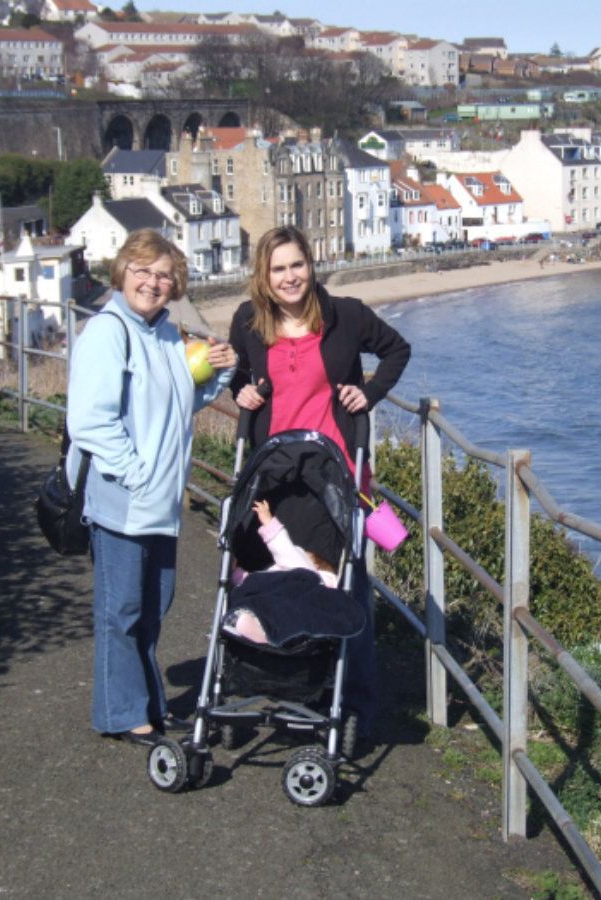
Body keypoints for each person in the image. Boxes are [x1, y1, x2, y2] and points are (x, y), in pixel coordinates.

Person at [229, 225, 410, 743]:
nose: (289, 277)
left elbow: (397, 350)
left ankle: (352, 705)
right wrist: (241, 390)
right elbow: (238, 375)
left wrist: (369, 393)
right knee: (273, 580)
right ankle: (286, 688)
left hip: (336, 476)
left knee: (342, 588)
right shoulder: (249, 322)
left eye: (297, 265)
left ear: (311, 265)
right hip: (274, 476)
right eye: (278, 268)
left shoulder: (345, 316)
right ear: (264, 277)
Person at [67, 228, 236, 747]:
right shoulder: (107, 331)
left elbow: (173, 407)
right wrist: (138, 474)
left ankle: (147, 706)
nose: (153, 282)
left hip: (161, 504)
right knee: (122, 612)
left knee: (153, 607)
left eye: (164, 274)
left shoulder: (165, 333)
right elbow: (90, 423)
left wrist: (217, 379)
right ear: (122, 273)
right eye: (143, 271)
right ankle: (122, 714)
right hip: (123, 500)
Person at [226, 499, 338, 643]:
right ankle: (255, 626)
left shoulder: (307, 573)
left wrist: (268, 522)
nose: (301, 552)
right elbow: (258, 582)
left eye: (305, 553)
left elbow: (286, 549)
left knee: (260, 598)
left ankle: (261, 630)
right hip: (292, 617)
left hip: (282, 607)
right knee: (256, 590)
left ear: (316, 564)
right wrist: (237, 573)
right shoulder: (322, 591)